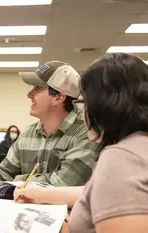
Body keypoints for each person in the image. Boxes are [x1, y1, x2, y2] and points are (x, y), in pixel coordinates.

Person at [14, 53, 148, 233]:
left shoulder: (121, 156)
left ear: (105, 106)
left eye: (84, 102)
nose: (81, 112)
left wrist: (68, 229)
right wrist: (38, 193)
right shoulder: (140, 145)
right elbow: (99, 192)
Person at [0, 61, 97, 188]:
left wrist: (17, 180)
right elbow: (4, 173)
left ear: (58, 97)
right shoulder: (29, 133)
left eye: (37, 89)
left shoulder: (86, 132)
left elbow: (64, 184)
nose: (29, 94)